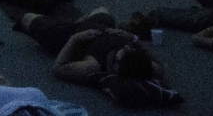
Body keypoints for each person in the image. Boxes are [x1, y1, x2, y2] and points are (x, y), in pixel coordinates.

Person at [52, 24, 183, 107]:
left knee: (32, 17)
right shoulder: (147, 64)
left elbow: (58, 68)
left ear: (116, 67)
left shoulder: (93, 65)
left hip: (70, 31)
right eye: (129, 48)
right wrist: (134, 39)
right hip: (103, 24)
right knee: (102, 11)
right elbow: (159, 64)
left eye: (124, 51)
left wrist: (74, 38)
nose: (126, 46)